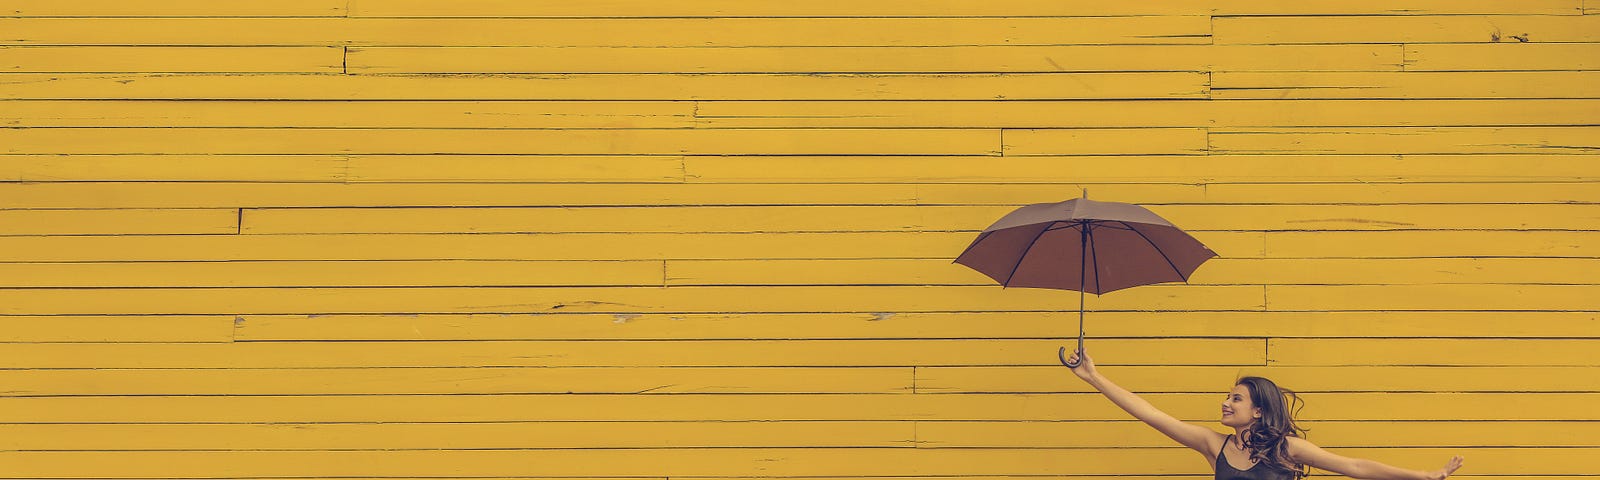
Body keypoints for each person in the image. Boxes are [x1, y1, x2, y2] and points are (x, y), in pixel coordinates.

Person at [1063, 350, 1465, 480]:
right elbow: (1150, 414)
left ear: (1258, 411)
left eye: (1235, 399)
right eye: (1227, 396)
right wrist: (1094, 377)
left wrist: (1424, 476)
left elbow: (1354, 465)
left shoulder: (1287, 448)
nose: (1225, 403)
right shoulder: (1212, 444)